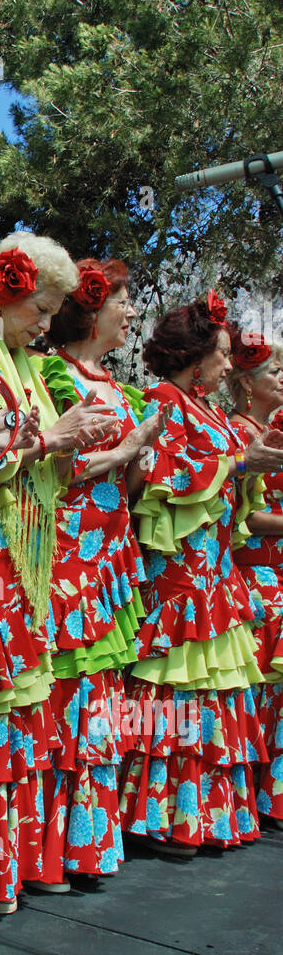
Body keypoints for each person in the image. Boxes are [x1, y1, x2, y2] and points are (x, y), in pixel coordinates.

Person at [0, 235, 119, 925]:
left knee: (7, 724)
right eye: (41, 307)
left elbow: (47, 461)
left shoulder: (27, 366)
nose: (47, 323)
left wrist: (80, 446)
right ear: (7, 291)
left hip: (22, 560)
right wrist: (47, 440)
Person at [120, 295, 283, 854]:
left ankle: (203, 815)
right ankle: (161, 817)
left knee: (211, 689)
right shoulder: (164, 399)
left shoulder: (207, 408)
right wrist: (238, 464)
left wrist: (250, 466)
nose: (227, 363)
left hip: (213, 567)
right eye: (219, 353)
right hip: (179, 570)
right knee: (177, 688)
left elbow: (235, 487)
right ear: (194, 358)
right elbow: (158, 473)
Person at [37, 259, 168, 889]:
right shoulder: (52, 374)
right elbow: (55, 470)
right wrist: (123, 451)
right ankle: (47, 851)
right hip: (69, 555)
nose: (133, 312)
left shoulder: (115, 383)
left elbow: (128, 478)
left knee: (99, 699)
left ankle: (83, 846)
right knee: (66, 693)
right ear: (92, 306)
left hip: (110, 556)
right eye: (124, 300)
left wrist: (137, 460)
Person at [228, 327, 283, 830]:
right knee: (260, 689)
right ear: (248, 384)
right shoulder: (241, 433)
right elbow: (248, 518)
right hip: (257, 574)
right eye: (274, 372)